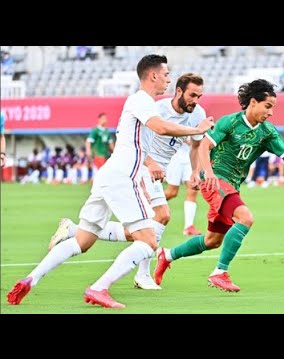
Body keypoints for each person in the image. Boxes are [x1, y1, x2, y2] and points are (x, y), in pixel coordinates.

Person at [6, 55, 214, 308]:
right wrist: (196, 129)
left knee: (82, 241)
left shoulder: (141, 103)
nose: (169, 79)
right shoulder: (142, 100)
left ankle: (30, 279)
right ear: (153, 76)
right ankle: (99, 287)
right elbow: (160, 127)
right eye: (166, 74)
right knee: (148, 241)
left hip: (109, 174)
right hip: (124, 177)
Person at [153, 79, 284, 292]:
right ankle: (219, 273)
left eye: (273, 108)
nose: (270, 113)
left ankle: (167, 255)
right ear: (253, 102)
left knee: (212, 240)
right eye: (268, 106)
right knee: (245, 217)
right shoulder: (230, 122)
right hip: (215, 180)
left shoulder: (267, 132)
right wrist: (205, 172)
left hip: (231, 185)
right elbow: (204, 146)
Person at [47, 73, 208, 291]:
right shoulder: (157, 109)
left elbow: (196, 145)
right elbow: (132, 138)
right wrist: (150, 162)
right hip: (141, 168)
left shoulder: (197, 113)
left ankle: (75, 230)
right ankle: (141, 275)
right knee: (159, 217)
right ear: (179, 91)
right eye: (192, 95)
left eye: (199, 96)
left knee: (149, 224)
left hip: (158, 172)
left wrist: (195, 171)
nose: (196, 100)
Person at [164, 139, 203, 236]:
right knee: (172, 192)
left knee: (193, 189)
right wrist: (189, 139)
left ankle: (188, 227)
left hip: (190, 156)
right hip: (175, 156)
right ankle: (148, 206)